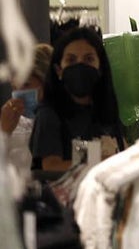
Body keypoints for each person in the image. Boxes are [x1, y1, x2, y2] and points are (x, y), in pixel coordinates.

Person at [30, 28, 124, 172]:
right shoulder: (49, 115)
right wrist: (103, 164)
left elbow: (123, 152)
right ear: (58, 70)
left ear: (100, 68)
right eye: (71, 60)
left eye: (89, 59)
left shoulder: (107, 113)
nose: (80, 65)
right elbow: (50, 167)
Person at [2, 43, 52, 170]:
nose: (18, 94)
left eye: (26, 85)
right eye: (14, 87)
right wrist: (4, 132)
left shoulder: (64, 120)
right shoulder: (11, 123)